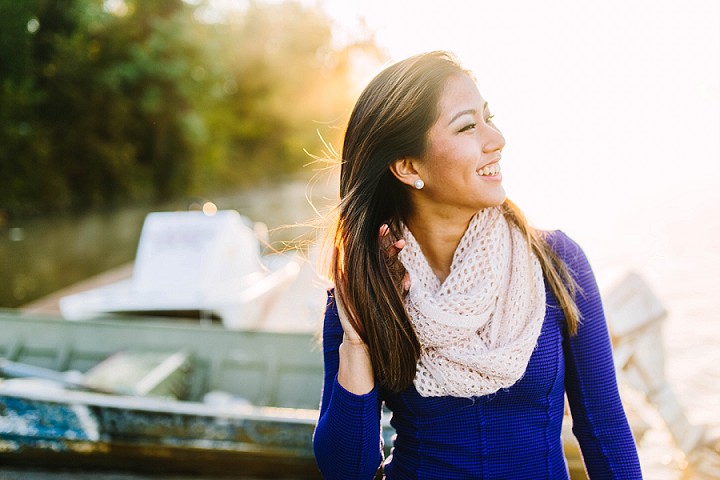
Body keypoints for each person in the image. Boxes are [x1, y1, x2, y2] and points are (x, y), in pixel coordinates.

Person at [312, 51, 642, 479]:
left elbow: (606, 432)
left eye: (489, 118)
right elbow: (347, 470)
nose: (496, 138)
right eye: (468, 126)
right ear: (408, 166)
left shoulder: (556, 263)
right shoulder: (367, 286)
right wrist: (356, 343)